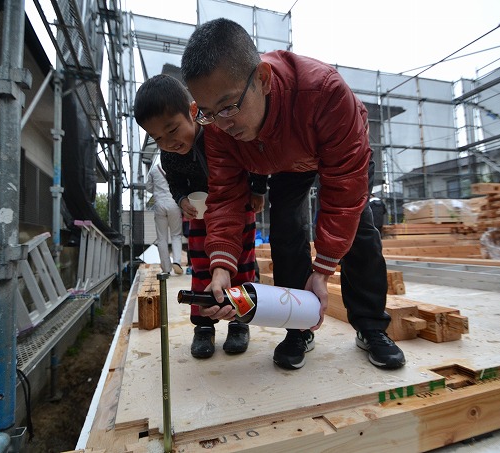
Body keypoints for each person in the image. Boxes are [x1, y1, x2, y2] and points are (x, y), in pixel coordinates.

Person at [181, 18, 405, 370]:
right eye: (208, 113)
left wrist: (324, 268)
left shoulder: (324, 92)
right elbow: (224, 198)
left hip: (339, 149)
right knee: (287, 230)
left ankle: (371, 327)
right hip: (284, 160)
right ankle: (298, 327)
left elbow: (343, 190)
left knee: (358, 229)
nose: (222, 124)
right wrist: (221, 266)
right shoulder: (217, 128)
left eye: (227, 107)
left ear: (264, 79)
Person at [134, 74, 268, 358]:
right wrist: (182, 199)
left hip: (238, 209)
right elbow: (175, 183)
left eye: (172, 130)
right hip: (201, 216)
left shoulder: (220, 134)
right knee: (201, 266)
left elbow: (253, 159)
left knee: (242, 266)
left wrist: (257, 190)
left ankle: (239, 324)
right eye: (158, 137)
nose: (168, 142)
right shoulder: (169, 156)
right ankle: (204, 326)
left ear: (193, 112)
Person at [145, 162, 184, 275]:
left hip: (159, 205)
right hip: (174, 204)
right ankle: (176, 262)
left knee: (162, 238)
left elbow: (148, 187)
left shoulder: (153, 170)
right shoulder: (175, 166)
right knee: (176, 235)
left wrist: (158, 190)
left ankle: (166, 268)